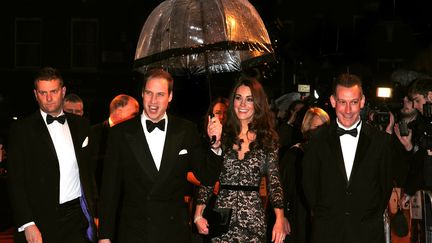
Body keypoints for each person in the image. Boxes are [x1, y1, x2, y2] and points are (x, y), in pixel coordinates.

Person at [97, 68, 223, 243]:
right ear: (142, 93)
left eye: (160, 94)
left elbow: (207, 176)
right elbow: (109, 190)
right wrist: (104, 236)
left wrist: (215, 145)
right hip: (134, 233)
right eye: (149, 93)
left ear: (170, 96)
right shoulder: (120, 133)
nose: (153, 101)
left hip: (174, 233)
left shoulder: (186, 130)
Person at [7, 67, 97, 243]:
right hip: (40, 218)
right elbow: (16, 182)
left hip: (76, 217)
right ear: (36, 94)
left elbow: (88, 173)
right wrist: (28, 223)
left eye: (53, 91)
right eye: (43, 93)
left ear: (63, 91)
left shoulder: (82, 125)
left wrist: (94, 213)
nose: (49, 98)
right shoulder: (22, 130)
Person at [194, 76, 287, 243]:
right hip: (221, 218)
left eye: (249, 99)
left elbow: (274, 182)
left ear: (257, 104)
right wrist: (198, 214)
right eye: (238, 98)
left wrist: (280, 218)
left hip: (253, 220)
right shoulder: (222, 135)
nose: (242, 104)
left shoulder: (267, 138)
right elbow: (209, 177)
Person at [302, 73, 393, 243]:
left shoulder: (381, 141)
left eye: (354, 102)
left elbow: (385, 188)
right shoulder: (316, 140)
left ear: (363, 101)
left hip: (367, 234)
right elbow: (309, 186)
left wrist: (368, 217)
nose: (348, 110)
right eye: (343, 102)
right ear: (333, 101)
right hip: (327, 232)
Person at [276, 107, 330, 243]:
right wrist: (283, 217)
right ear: (307, 128)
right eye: (317, 127)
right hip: (300, 217)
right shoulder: (295, 154)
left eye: (325, 127)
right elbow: (281, 189)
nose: (321, 131)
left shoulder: (331, 155)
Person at [91, 94, 139, 193]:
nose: (137, 119)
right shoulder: (92, 134)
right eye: (134, 114)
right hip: (100, 195)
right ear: (119, 111)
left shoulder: (138, 136)